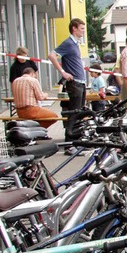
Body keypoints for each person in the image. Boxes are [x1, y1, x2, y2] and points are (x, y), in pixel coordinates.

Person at [48, 18, 87, 154]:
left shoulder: (75, 44)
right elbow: (51, 55)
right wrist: (62, 72)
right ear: (74, 29)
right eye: (81, 28)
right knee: (74, 114)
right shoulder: (68, 43)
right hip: (74, 83)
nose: (83, 31)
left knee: (79, 114)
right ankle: (70, 145)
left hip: (81, 82)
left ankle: (75, 142)